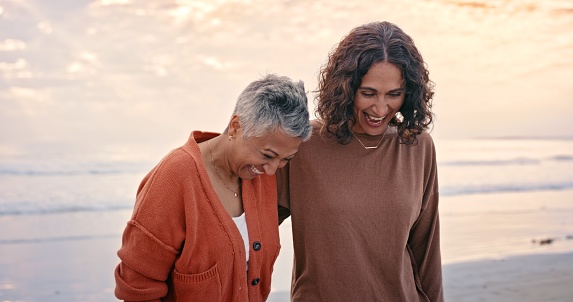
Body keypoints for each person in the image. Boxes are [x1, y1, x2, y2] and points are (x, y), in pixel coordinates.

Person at [277, 21, 443, 301]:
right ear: (345, 87)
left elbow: (426, 251)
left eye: (394, 94)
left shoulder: (418, 146)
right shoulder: (304, 144)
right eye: (368, 93)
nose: (380, 108)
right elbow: (251, 231)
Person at [114, 74, 312, 302]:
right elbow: (137, 287)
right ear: (236, 127)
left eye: (286, 159)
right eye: (267, 155)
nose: (271, 170)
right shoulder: (174, 178)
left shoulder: (263, 174)